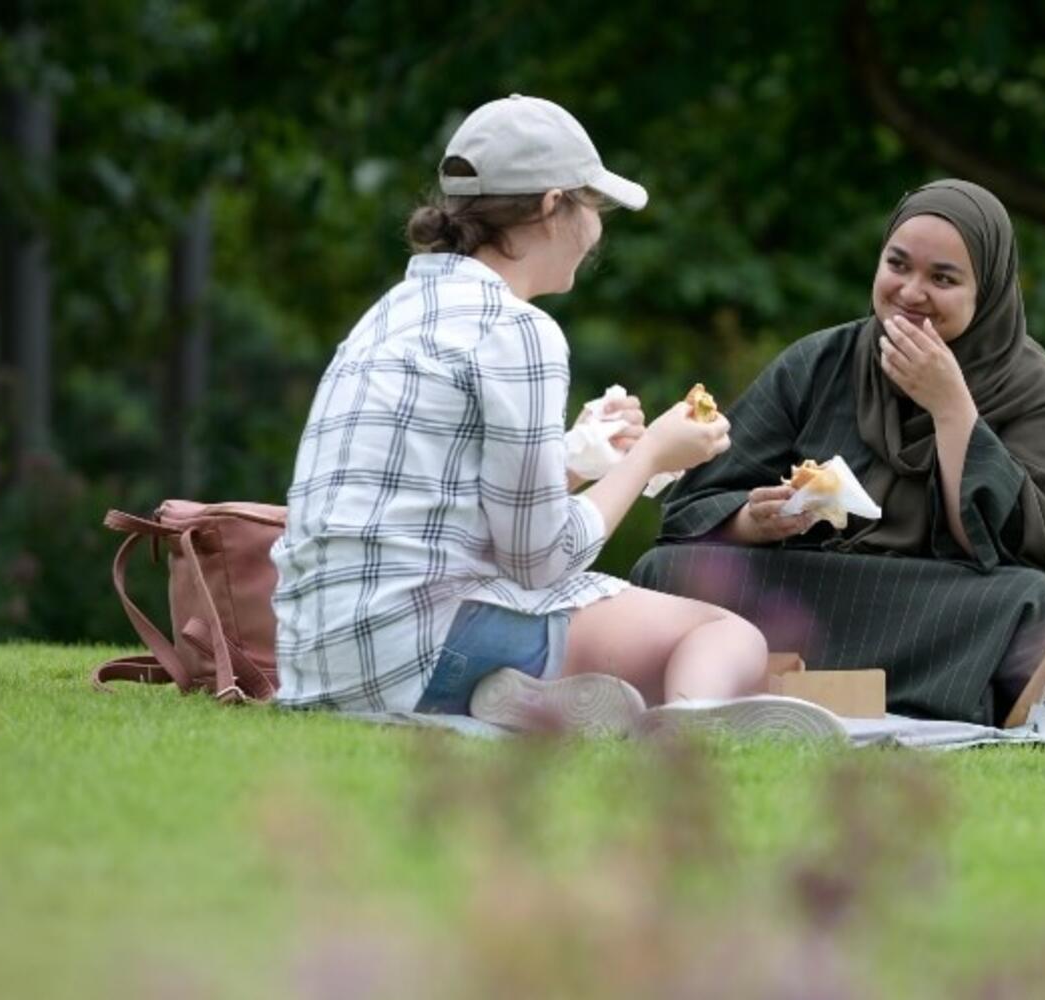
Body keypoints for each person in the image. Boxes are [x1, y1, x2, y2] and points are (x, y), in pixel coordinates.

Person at [269, 94, 840, 739]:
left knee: (610, 650)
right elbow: (540, 560)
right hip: (421, 652)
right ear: (551, 205)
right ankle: (685, 723)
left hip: (316, 661)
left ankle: (530, 698)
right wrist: (653, 454)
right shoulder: (518, 329)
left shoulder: (387, 314)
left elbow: (448, 513)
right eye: (591, 206)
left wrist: (580, 456)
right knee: (724, 634)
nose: (597, 230)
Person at [630, 179, 1045, 726]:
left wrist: (951, 409)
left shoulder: (1036, 391)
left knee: (1035, 605)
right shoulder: (821, 362)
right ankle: (723, 685)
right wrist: (755, 520)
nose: (911, 291)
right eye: (898, 265)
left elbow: (1020, 551)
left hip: (940, 606)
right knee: (666, 570)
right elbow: (692, 507)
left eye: (942, 278)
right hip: (814, 589)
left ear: (985, 293)